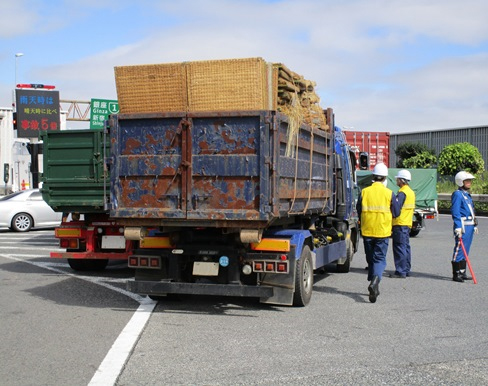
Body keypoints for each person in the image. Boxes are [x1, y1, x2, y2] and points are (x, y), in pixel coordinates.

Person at [357, 163, 400, 303]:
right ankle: (375, 280)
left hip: (367, 230)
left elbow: (359, 210)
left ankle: (372, 278)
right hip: (382, 231)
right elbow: (397, 212)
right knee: (379, 259)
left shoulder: (364, 192)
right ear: (385, 178)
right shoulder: (389, 193)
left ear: (373, 177)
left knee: (370, 258)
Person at [451, 171, 478, 282]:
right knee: (459, 249)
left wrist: (474, 223)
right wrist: (457, 226)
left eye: (469, 181)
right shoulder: (458, 194)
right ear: (460, 181)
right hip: (462, 226)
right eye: (467, 181)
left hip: (470, 225)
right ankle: (456, 274)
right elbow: (455, 211)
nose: (469, 183)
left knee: (465, 249)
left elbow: (471, 210)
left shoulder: (466, 195)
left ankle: (462, 272)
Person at [391, 170, 416, 278]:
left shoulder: (402, 192)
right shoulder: (411, 192)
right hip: (407, 223)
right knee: (405, 247)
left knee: (399, 247)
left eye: (398, 179)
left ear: (402, 180)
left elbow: (397, 208)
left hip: (400, 223)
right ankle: (406, 269)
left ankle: (400, 271)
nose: (397, 180)